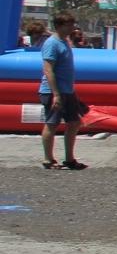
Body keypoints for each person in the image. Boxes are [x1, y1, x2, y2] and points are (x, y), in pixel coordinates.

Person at [38, 13, 84, 171]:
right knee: (52, 124)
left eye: (72, 24)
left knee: (75, 122)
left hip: (67, 90)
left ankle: (69, 159)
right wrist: (56, 94)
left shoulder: (65, 42)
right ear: (58, 26)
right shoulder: (52, 43)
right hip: (54, 91)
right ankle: (48, 159)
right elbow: (48, 70)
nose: (72, 28)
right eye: (68, 25)